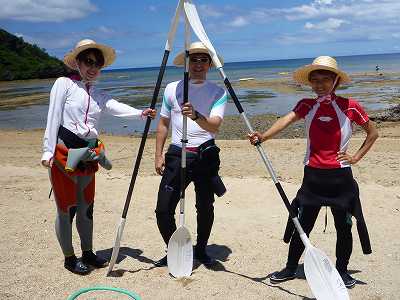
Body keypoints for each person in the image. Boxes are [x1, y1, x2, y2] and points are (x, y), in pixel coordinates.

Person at [248, 56, 378, 288]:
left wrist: (355, 157)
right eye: (314, 80)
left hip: (341, 178)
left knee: (344, 228)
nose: (319, 84)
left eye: (324, 79)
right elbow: (286, 120)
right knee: (302, 224)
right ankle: (290, 268)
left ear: (336, 80)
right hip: (313, 177)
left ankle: (342, 271)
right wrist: (263, 136)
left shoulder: (350, 106)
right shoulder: (306, 105)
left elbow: (373, 133)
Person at [41, 39, 156, 275]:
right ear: (77, 63)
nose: (93, 68)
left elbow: (116, 107)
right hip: (65, 152)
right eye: (89, 62)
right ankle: (69, 258)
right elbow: (53, 116)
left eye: (98, 64)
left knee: (86, 208)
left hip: (88, 154)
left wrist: (141, 114)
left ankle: (88, 252)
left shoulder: (98, 94)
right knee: (67, 208)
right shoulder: (64, 84)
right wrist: (47, 150)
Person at [154, 41, 227, 267]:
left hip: (205, 155)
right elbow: (163, 123)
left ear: (210, 64)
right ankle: (174, 249)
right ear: (186, 62)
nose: (197, 64)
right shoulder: (172, 89)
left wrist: (196, 115)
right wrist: (158, 154)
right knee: (163, 209)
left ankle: (202, 250)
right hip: (177, 153)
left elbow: (214, 126)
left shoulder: (218, 91)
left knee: (205, 206)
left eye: (203, 59)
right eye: (193, 59)